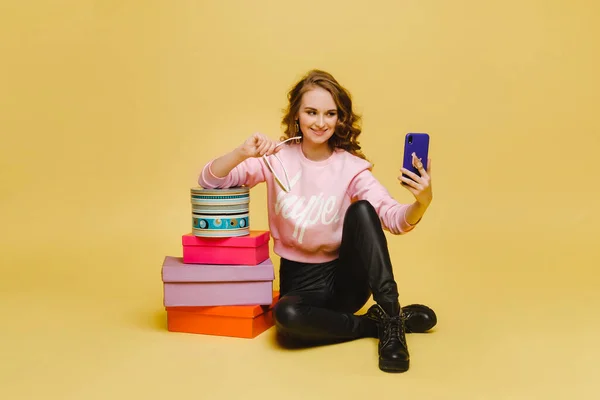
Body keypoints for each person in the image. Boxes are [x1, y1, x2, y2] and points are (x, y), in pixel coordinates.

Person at [197, 69, 437, 373]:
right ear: (296, 114)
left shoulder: (351, 168)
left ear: (339, 119)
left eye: (330, 113)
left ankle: (390, 316)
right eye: (311, 112)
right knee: (287, 319)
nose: (320, 122)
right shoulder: (276, 159)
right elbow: (211, 181)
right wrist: (242, 152)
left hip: (345, 281)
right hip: (300, 285)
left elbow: (394, 219)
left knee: (362, 209)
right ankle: (373, 325)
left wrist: (422, 202)